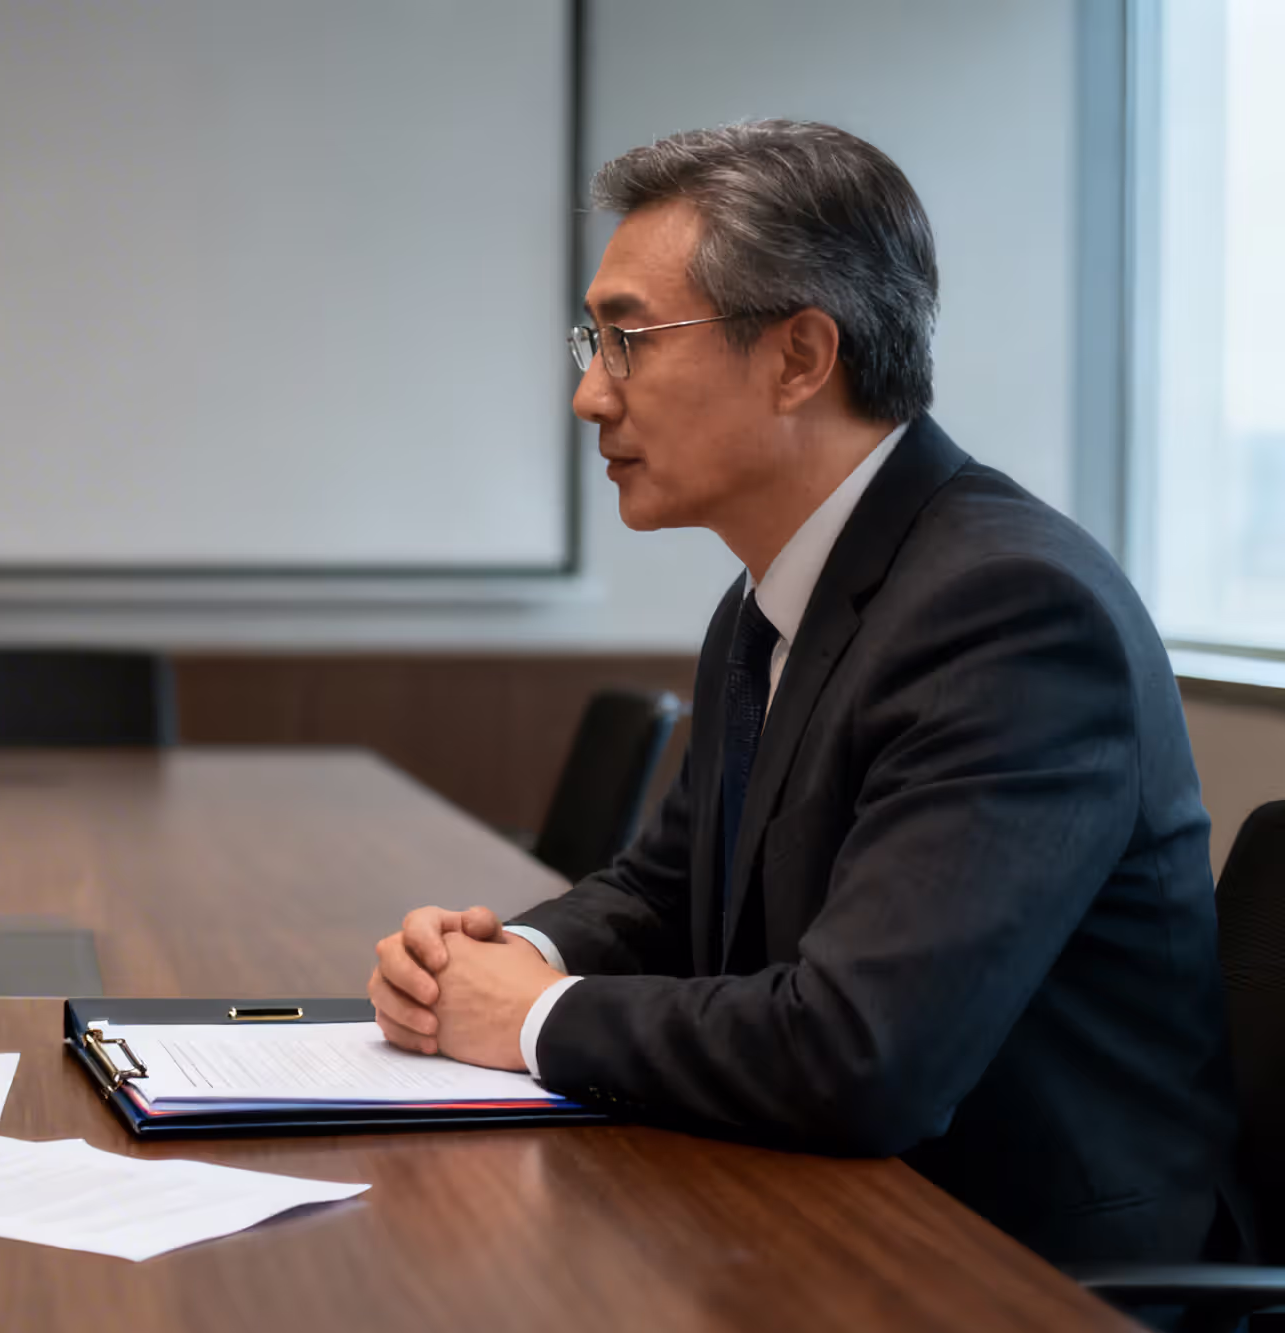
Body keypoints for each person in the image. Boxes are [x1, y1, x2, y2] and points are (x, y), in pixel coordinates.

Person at [367, 121, 1231, 1265]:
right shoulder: (775, 594)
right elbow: (670, 891)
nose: (588, 396)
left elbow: (864, 1056)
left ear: (799, 357)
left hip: (1031, 1303)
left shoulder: (1011, 613)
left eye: (628, 341)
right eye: (594, 341)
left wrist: (530, 1018)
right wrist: (512, 957)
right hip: (830, 1230)